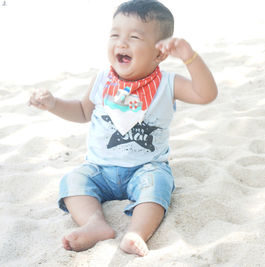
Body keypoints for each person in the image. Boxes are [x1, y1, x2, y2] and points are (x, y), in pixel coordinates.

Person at [29, 0, 217, 257]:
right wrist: (53, 104)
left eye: (134, 37)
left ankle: (137, 232)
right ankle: (94, 223)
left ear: (160, 53)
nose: (122, 43)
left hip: (145, 168)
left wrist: (190, 57)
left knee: (158, 183)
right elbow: (83, 111)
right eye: (115, 35)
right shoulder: (103, 79)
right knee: (73, 180)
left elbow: (205, 94)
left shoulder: (167, 84)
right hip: (99, 168)